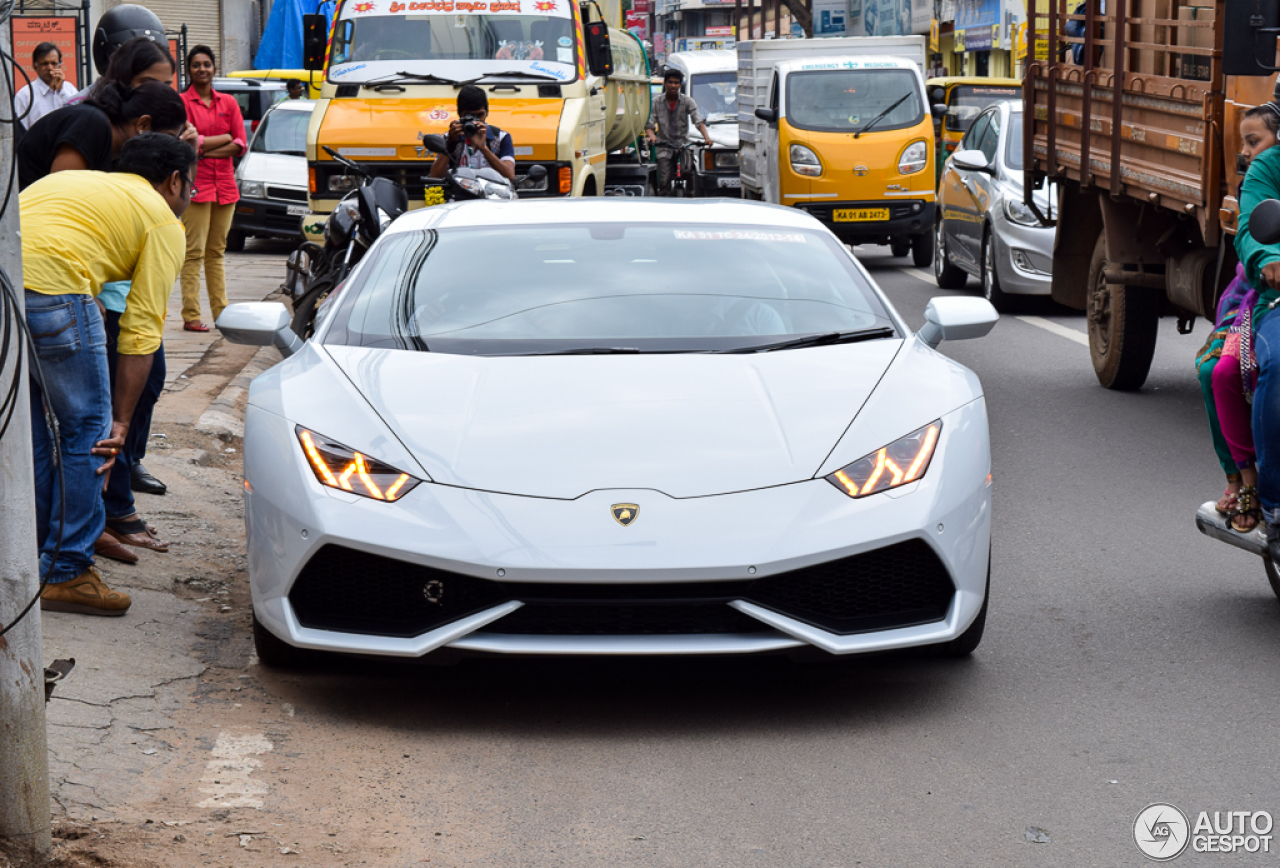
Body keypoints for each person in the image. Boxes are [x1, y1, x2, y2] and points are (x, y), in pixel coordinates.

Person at [21, 132, 195, 616]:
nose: (190, 199)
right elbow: (141, 333)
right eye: (191, 187)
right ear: (174, 181)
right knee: (89, 437)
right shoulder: (163, 220)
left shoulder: (73, 183)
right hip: (55, 292)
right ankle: (66, 571)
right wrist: (119, 423)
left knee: (30, 435)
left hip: (8, 287)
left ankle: (36, 557)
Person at [1196, 104, 1280, 532]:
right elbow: (1252, 232)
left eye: (1254, 140)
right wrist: (1270, 261)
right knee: (1221, 369)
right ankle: (1256, 490)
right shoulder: (1267, 171)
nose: (1247, 152)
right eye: (1244, 144)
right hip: (1265, 296)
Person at [179, 45, 247, 332]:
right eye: (196, 65)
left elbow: (240, 143)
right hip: (196, 185)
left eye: (207, 64)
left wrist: (204, 147)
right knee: (193, 252)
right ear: (189, 69)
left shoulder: (229, 102)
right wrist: (222, 139)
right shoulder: (181, 102)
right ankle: (191, 315)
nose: (202, 69)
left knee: (216, 253)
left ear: (214, 68)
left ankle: (222, 313)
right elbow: (186, 143)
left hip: (225, 187)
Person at [17, 79, 186, 190]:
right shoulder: (92, 124)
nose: (166, 148)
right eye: (168, 138)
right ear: (143, 125)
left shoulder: (119, 151)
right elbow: (60, 197)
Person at [644, 68, 714, 196]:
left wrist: (707, 138)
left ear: (680, 84)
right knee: (664, 181)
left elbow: (698, 122)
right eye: (670, 82)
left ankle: (690, 196)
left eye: (676, 83)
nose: (673, 85)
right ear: (665, 83)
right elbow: (649, 125)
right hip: (664, 146)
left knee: (688, 172)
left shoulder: (688, 101)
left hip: (683, 145)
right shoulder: (656, 103)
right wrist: (653, 137)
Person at [427, 85, 517, 184]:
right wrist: (450, 145)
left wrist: (483, 148)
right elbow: (435, 177)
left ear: (487, 113)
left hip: (494, 196)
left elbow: (509, 175)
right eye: (469, 116)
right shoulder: (452, 137)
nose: (475, 121)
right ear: (459, 114)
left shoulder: (501, 137)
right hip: (459, 196)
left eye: (479, 115)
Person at [14, 42, 78, 131]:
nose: (50, 68)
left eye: (54, 63)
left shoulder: (69, 89)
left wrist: (61, 91)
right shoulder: (25, 95)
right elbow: (21, 132)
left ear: (59, 65)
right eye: (44, 64)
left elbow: (78, 117)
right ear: (35, 66)